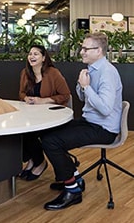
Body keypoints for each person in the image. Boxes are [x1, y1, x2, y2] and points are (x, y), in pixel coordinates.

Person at [42, 32, 122, 210]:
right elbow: (82, 98)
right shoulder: (91, 69)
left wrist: (86, 87)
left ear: (99, 51)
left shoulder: (107, 72)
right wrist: (81, 85)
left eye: (86, 49)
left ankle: (72, 191)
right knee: (47, 133)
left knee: (51, 141)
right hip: (90, 121)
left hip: (103, 129)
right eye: (82, 48)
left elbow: (105, 108)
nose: (81, 52)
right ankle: (75, 177)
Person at [19, 45, 71, 181]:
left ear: (43, 58)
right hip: (31, 115)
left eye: (36, 54)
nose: (32, 56)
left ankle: (40, 162)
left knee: (29, 133)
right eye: (30, 53)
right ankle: (32, 160)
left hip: (52, 116)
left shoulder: (53, 73)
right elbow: (21, 93)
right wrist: (25, 98)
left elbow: (65, 95)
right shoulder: (25, 73)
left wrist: (44, 100)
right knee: (19, 132)